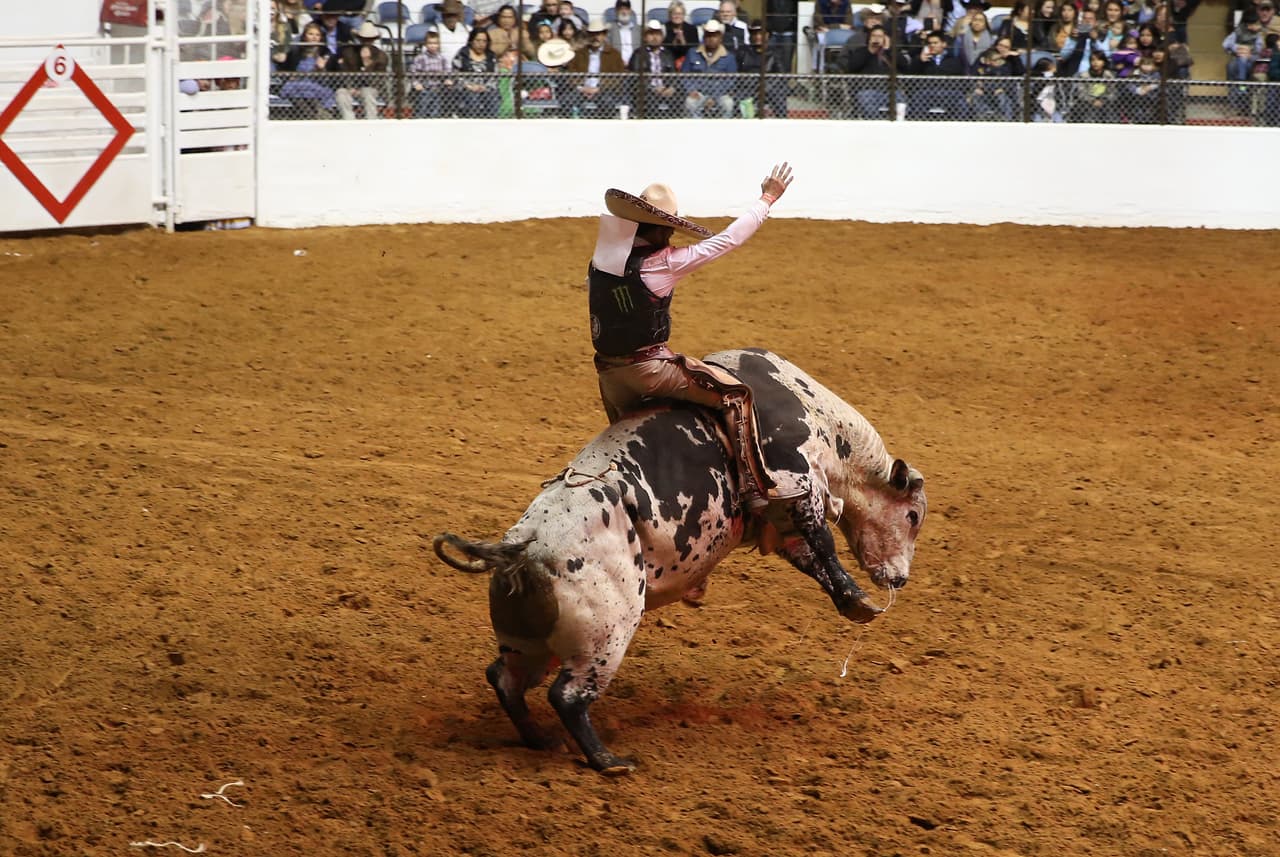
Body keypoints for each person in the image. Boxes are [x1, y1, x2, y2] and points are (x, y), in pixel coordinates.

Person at [587, 164, 799, 514]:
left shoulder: (600, 261)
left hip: (609, 378)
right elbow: (728, 239)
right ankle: (753, 490)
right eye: (667, 230)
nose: (670, 236)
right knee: (735, 394)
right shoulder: (664, 263)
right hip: (650, 369)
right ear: (657, 230)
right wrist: (767, 198)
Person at [839, 24, 909, 118]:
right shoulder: (861, 52)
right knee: (866, 98)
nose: (876, 39)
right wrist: (870, 51)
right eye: (874, 36)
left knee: (901, 100)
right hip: (869, 90)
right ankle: (877, 124)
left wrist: (888, 50)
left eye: (880, 36)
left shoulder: (892, 52)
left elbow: (905, 66)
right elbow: (852, 67)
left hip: (890, 91)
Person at [567, 16, 627, 116]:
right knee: (567, 101)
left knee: (607, 102)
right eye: (592, 34)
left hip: (604, 91)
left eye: (598, 34)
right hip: (582, 90)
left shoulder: (614, 54)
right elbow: (571, 74)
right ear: (588, 36)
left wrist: (599, 88)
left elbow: (618, 78)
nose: (595, 37)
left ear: (604, 35)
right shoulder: (579, 54)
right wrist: (582, 88)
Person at [278, 20, 338, 118]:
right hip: (296, 84)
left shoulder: (326, 53)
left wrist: (321, 69)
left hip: (316, 85)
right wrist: (290, 76)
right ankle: (313, 117)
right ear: (305, 36)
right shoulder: (295, 51)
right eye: (310, 34)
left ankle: (316, 116)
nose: (314, 37)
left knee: (311, 96)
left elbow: (328, 80)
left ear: (321, 38)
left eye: (317, 35)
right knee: (296, 94)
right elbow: (285, 69)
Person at [683, 18, 738, 117]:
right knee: (689, 102)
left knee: (728, 103)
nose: (711, 38)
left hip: (720, 94)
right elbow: (685, 75)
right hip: (698, 93)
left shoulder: (729, 57)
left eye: (714, 35)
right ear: (704, 36)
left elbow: (731, 80)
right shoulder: (692, 53)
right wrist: (691, 90)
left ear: (720, 37)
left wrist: (714, 96)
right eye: (708, 35)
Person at [335, 21, 388, 120]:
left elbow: (378, 81)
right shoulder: (349, 52)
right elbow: (344, 71)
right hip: (351, 87)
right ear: (359, 39)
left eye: (369, 40)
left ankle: (371, 121)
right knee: (341, 93)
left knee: (367, 92)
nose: (367, 42)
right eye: (364, 40)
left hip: (371, 87)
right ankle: (349, 121)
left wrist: (367, 65)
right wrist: (350, 86)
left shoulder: (381, 56)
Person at [735, 20, 789, 117]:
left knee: (779, 97)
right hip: (747, 88)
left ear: (767, 35)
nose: (757, 37)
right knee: (737, 98)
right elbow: (737, 73)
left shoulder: (775, 53)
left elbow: (781, 76)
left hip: (768, 89)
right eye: (754, 34)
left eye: (761, 34)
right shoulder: (743, 52)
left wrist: (765, 86)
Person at [628, 19, 680, 116]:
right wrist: (653, 89)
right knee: (649, 99)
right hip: (647, 92)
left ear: (662, 36)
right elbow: (635, 78)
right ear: (645, 37)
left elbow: (674, 75)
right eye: (651, 34)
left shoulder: (668, 54)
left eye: (658, 34)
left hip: (665, 90)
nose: (655, 37)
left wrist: (671, 88)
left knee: (679, 97)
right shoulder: (638, 54)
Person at [452, 26, 500, 116]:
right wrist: (469, 86)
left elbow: (495, 76)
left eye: (484, 41)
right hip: (466, 89)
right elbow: (456, 74)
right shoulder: (462, 54)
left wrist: (485, 87)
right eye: (478, 40)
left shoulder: (491, 56)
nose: (481, 44)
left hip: (486, 89)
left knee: (493, 97)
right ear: (471, 41)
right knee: (472, 97)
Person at [410, 28, 452, 117]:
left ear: (439, 44)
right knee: (422, 110)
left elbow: (448, 70)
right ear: (425, 44)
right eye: (430, 43)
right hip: (424, 89)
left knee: (435, 111)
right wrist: (416, 84)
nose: (433, 46)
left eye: (435, 43)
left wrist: (447, 79)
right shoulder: (420, 58)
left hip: (438, 89)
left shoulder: (442, 58)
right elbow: (413, 72)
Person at [1069, 50, 1117, 122]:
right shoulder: (1084, 75)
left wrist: (1102, 101)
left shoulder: (1109, 76)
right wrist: (1092, 101)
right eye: (1093, 60)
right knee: (1080, 106)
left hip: (1105, 102)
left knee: (1110, 108)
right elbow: (1081, 93)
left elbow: (1112, 92)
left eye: (1099, 59)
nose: (1095, 62)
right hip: (1087, 102)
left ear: (1104, 62)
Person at [765, 0, 800, 71]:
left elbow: (797, 13)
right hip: (773, 33)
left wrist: (793, 27)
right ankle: (770, 79)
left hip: (788, 33)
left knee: (786, 60)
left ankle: (785, 81)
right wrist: (768, 29)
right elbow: (768, 13)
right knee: (769, 58)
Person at [665, 1, 701, 65]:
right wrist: (675, 41)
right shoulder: (664, 28)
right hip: (669, 61)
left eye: (680, 14)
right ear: (670, 15)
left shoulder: (692, 29)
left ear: (684, 15)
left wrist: (683, 42)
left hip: (688, 61)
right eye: (674, 14)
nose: (677, 16)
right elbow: (665, 51)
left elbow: (695, 50)